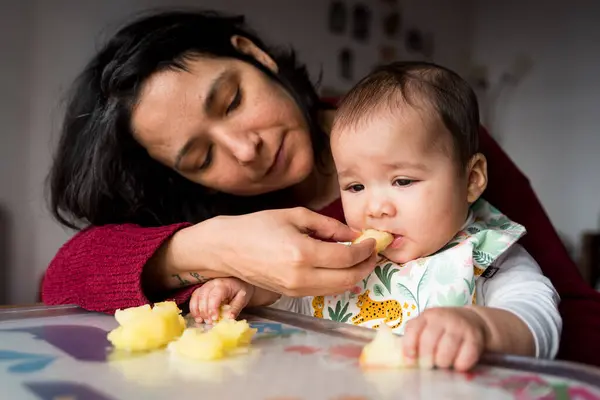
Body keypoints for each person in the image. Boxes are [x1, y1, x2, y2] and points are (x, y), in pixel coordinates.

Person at [41, 9, 600, 367]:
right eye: (201, 155)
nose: (244, 148)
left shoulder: (427, 133)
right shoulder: (220, 208)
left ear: (256, 57)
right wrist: (210, 254)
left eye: (232, 100)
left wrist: (486, 329)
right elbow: (61, 282)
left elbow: (565, 312)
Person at [187, 62, 562, 371]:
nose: (375, 207)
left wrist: (480, 327)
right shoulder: (347, 257)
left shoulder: (485, 255)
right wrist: (247, 290)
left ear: (472, 179)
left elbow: (537, 316)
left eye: (402, 180)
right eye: (355, 187)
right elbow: (294, 299)